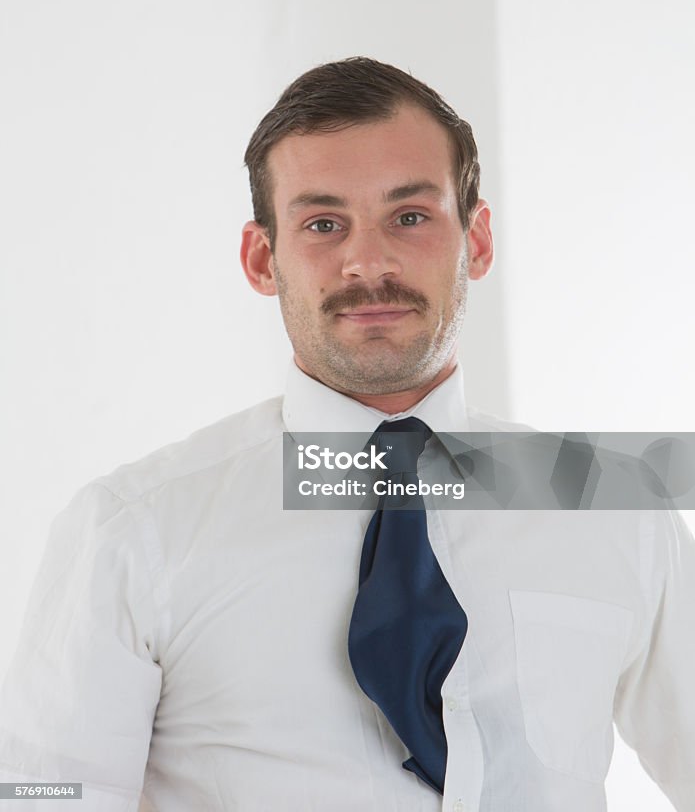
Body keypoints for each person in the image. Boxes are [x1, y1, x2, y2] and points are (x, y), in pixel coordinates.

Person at [1, 57, 693, 811]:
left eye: (409, 216)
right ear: (263, 258)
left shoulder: (608, 501)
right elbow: (49, 798)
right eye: (323, 224)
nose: (369, 261)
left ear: (477, 240)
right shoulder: (134, 528)